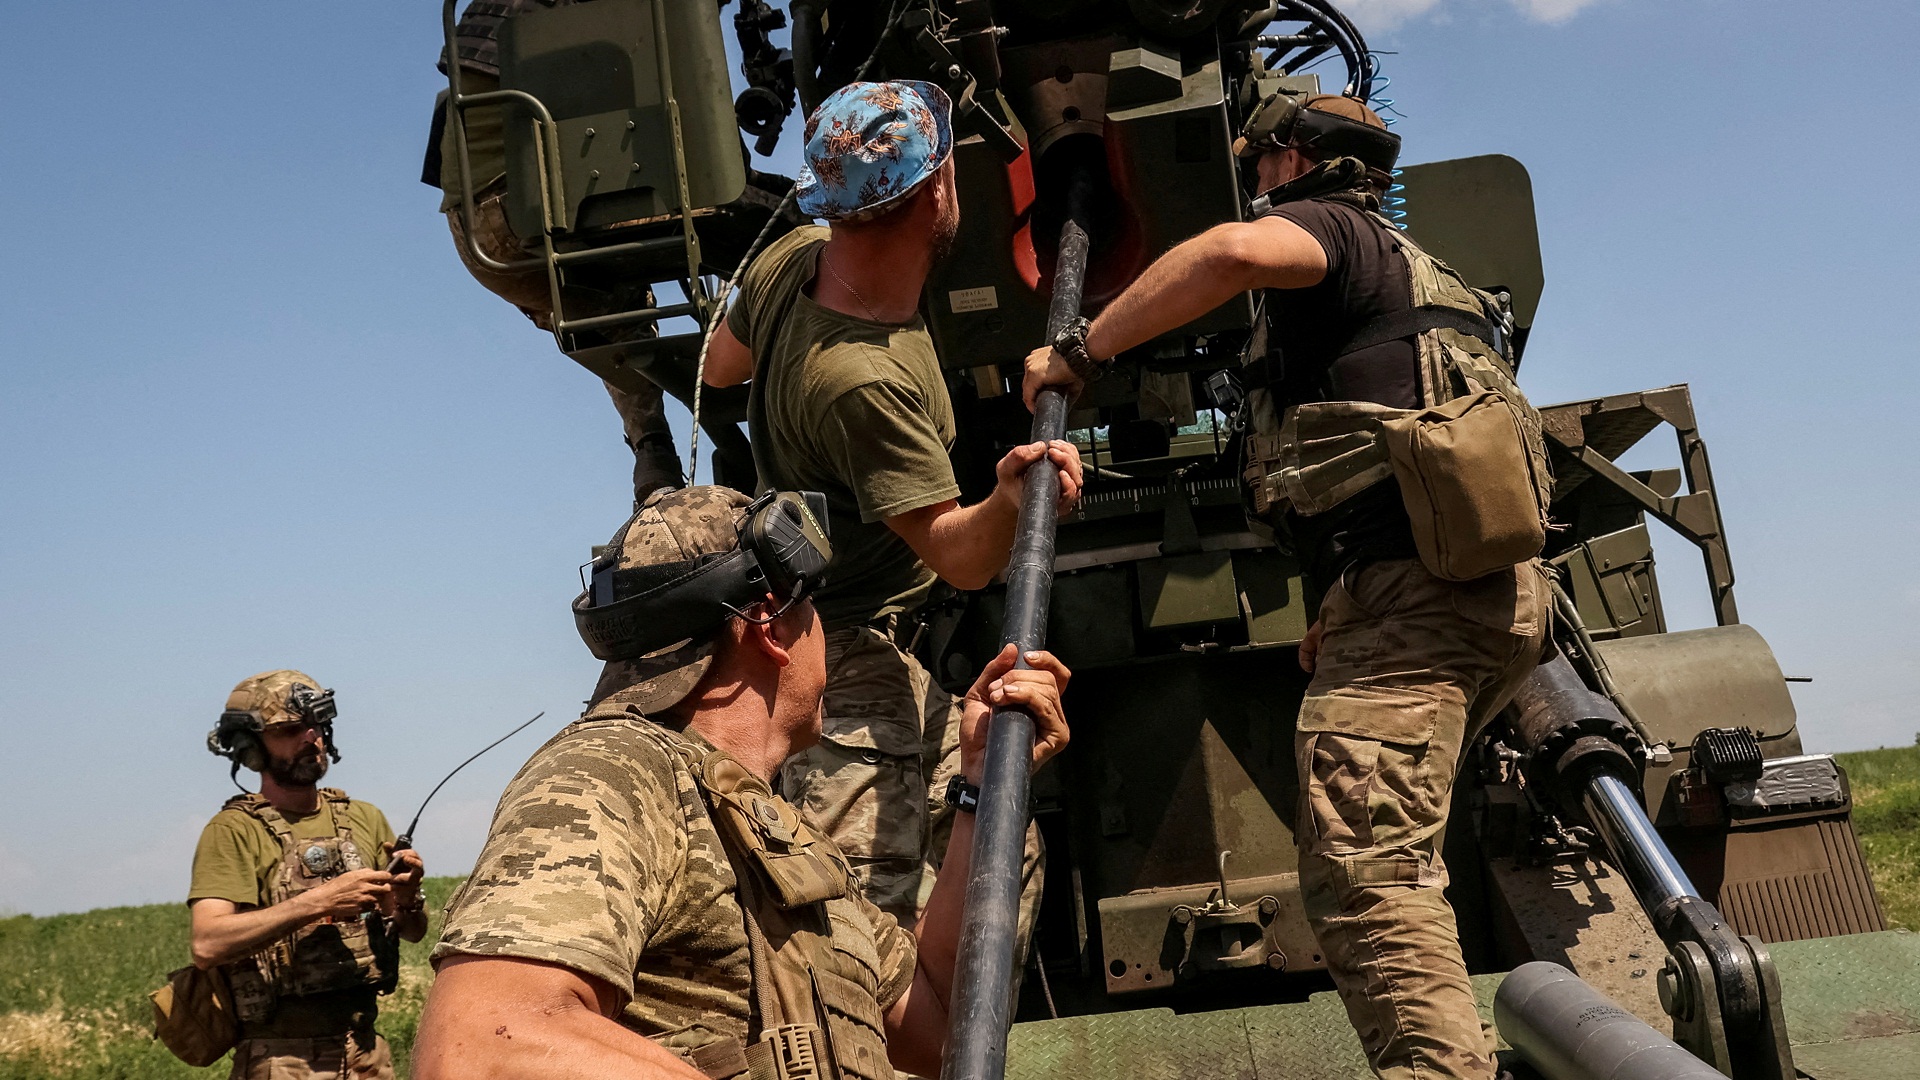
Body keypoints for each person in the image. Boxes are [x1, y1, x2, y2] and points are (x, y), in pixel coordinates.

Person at [1023, 94, 1551, 1080]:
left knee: (1368, 876)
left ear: (1297, 160)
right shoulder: (1424, 269)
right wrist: (1337, 606)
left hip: (1414, 604)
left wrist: (1082, 348)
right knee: (1392, 854)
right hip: (1471, 597)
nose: (1253, 181)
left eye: (1260, 162)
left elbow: (1230, 253)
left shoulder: (1331, 231)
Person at [412, 486, 1072, 1080]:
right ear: (771, 625)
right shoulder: (614, 770)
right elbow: (483, 1047)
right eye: (814, 608)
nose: (821, 631)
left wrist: (980, 788)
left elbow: (938, 1031)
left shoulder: (783, 835)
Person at [701, 81, 1083, 934]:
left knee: (1003, 853)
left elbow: (721, 365)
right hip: (844, 663)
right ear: (938, 189)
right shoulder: (862, 381)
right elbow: (963, 556)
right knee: (870, 921)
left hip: (856, 639)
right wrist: (1011, 494)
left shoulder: (793, 256)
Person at [428, 0, 685, 505]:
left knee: (616, 313)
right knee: (763, 226)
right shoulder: (579, 20)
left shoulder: (484, 15)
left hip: (479, 237)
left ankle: (654, 452)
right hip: (531, 208)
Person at [189, 670, 428, 1080]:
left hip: (367, 1054)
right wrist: (321, 901)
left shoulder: (364, 818)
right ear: (251, 748)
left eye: (317, 724)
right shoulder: (233, 830)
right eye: (289, 730)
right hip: (283, 1060)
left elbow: (412, 932)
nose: (310, 737)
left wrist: (407, 898)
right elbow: (207, 943)